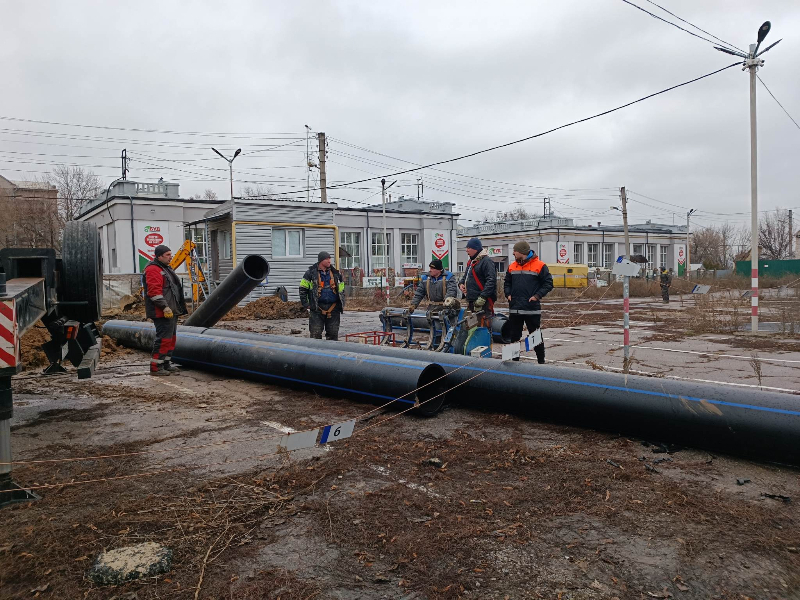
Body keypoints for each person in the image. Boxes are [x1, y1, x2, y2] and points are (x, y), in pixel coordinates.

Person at [504, 241, 553, 364]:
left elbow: (548, 284)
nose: (513, 253)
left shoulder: (540, 265)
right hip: (515, 308)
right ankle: (513, 362)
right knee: (514, 337)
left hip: (531, 308)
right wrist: (508, 293)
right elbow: (507, 283)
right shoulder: (512, 266)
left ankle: (541, 363)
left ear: (521, 252)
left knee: (535, 336)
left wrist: (537, 296)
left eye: (515, 251)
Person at [143, 244, 187, 376]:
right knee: (163, 339)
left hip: (170, 311)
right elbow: (154, 292)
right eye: (167, 255)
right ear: (159, 256)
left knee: (171, 338)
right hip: (161, 311)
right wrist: (165, 307)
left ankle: (166, 363)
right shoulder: (153, 269)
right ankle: (156, 367)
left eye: (170, 254)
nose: (170, 257)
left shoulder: (165, 268)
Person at [299, 251, 345, 340]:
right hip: (317, 309)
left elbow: (342, 289)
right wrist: (306, 304)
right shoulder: (310, 274)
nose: (329, 261)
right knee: (315, 335)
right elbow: (303, 289)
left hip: (333, 309)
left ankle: (331, 353)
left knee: (333, 335)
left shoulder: (336, 274)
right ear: (321, 261)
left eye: (330, 258)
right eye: (327, 259)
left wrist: (342, 303)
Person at [458, 237, 497, 326]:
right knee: (472, 326)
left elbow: (491, 280)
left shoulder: (486, 261)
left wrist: (483, 297)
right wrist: (461, 284)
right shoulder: (471, 262)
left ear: (475, 249)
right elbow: (465, 277)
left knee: (483, 325)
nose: (466, 250)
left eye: (468, 248)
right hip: (472, 300)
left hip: (483, 302)